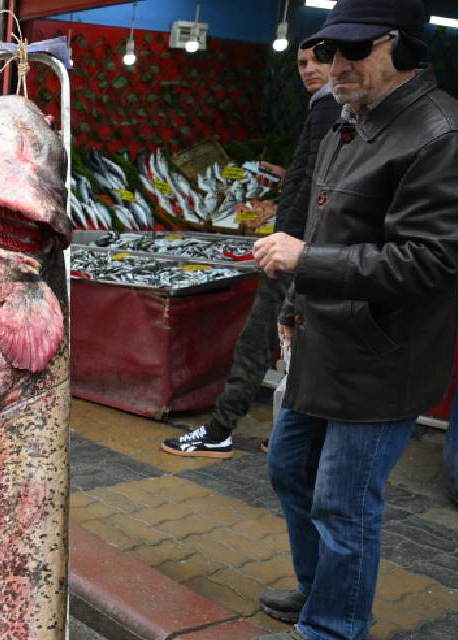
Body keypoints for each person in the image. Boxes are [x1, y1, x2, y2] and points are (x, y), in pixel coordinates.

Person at [251, 0, 458, 638]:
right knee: (289, 469)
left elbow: (430, 262)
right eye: (329, 50)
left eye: (355, 50)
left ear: (402, 48)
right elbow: (325, 218)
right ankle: (318, 589)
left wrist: (306, 261)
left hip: (382, 356)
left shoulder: (445, 134)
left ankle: (335, 625)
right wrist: (293, 308)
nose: (336, 64)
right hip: (322, 340)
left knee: (344, 503)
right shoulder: (348, 120)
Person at [161, 42, 338, 459]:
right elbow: (309, 176)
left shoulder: (332, 109)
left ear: (340, 62)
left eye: (318, 61)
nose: (308, 70)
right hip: (297, 245)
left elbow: (321, 183)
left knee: (260, 339)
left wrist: (292, 235)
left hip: (294, 251)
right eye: (301, 63)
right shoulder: (326, 107)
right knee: (289, 346)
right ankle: (289, 436)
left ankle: (222, 428)